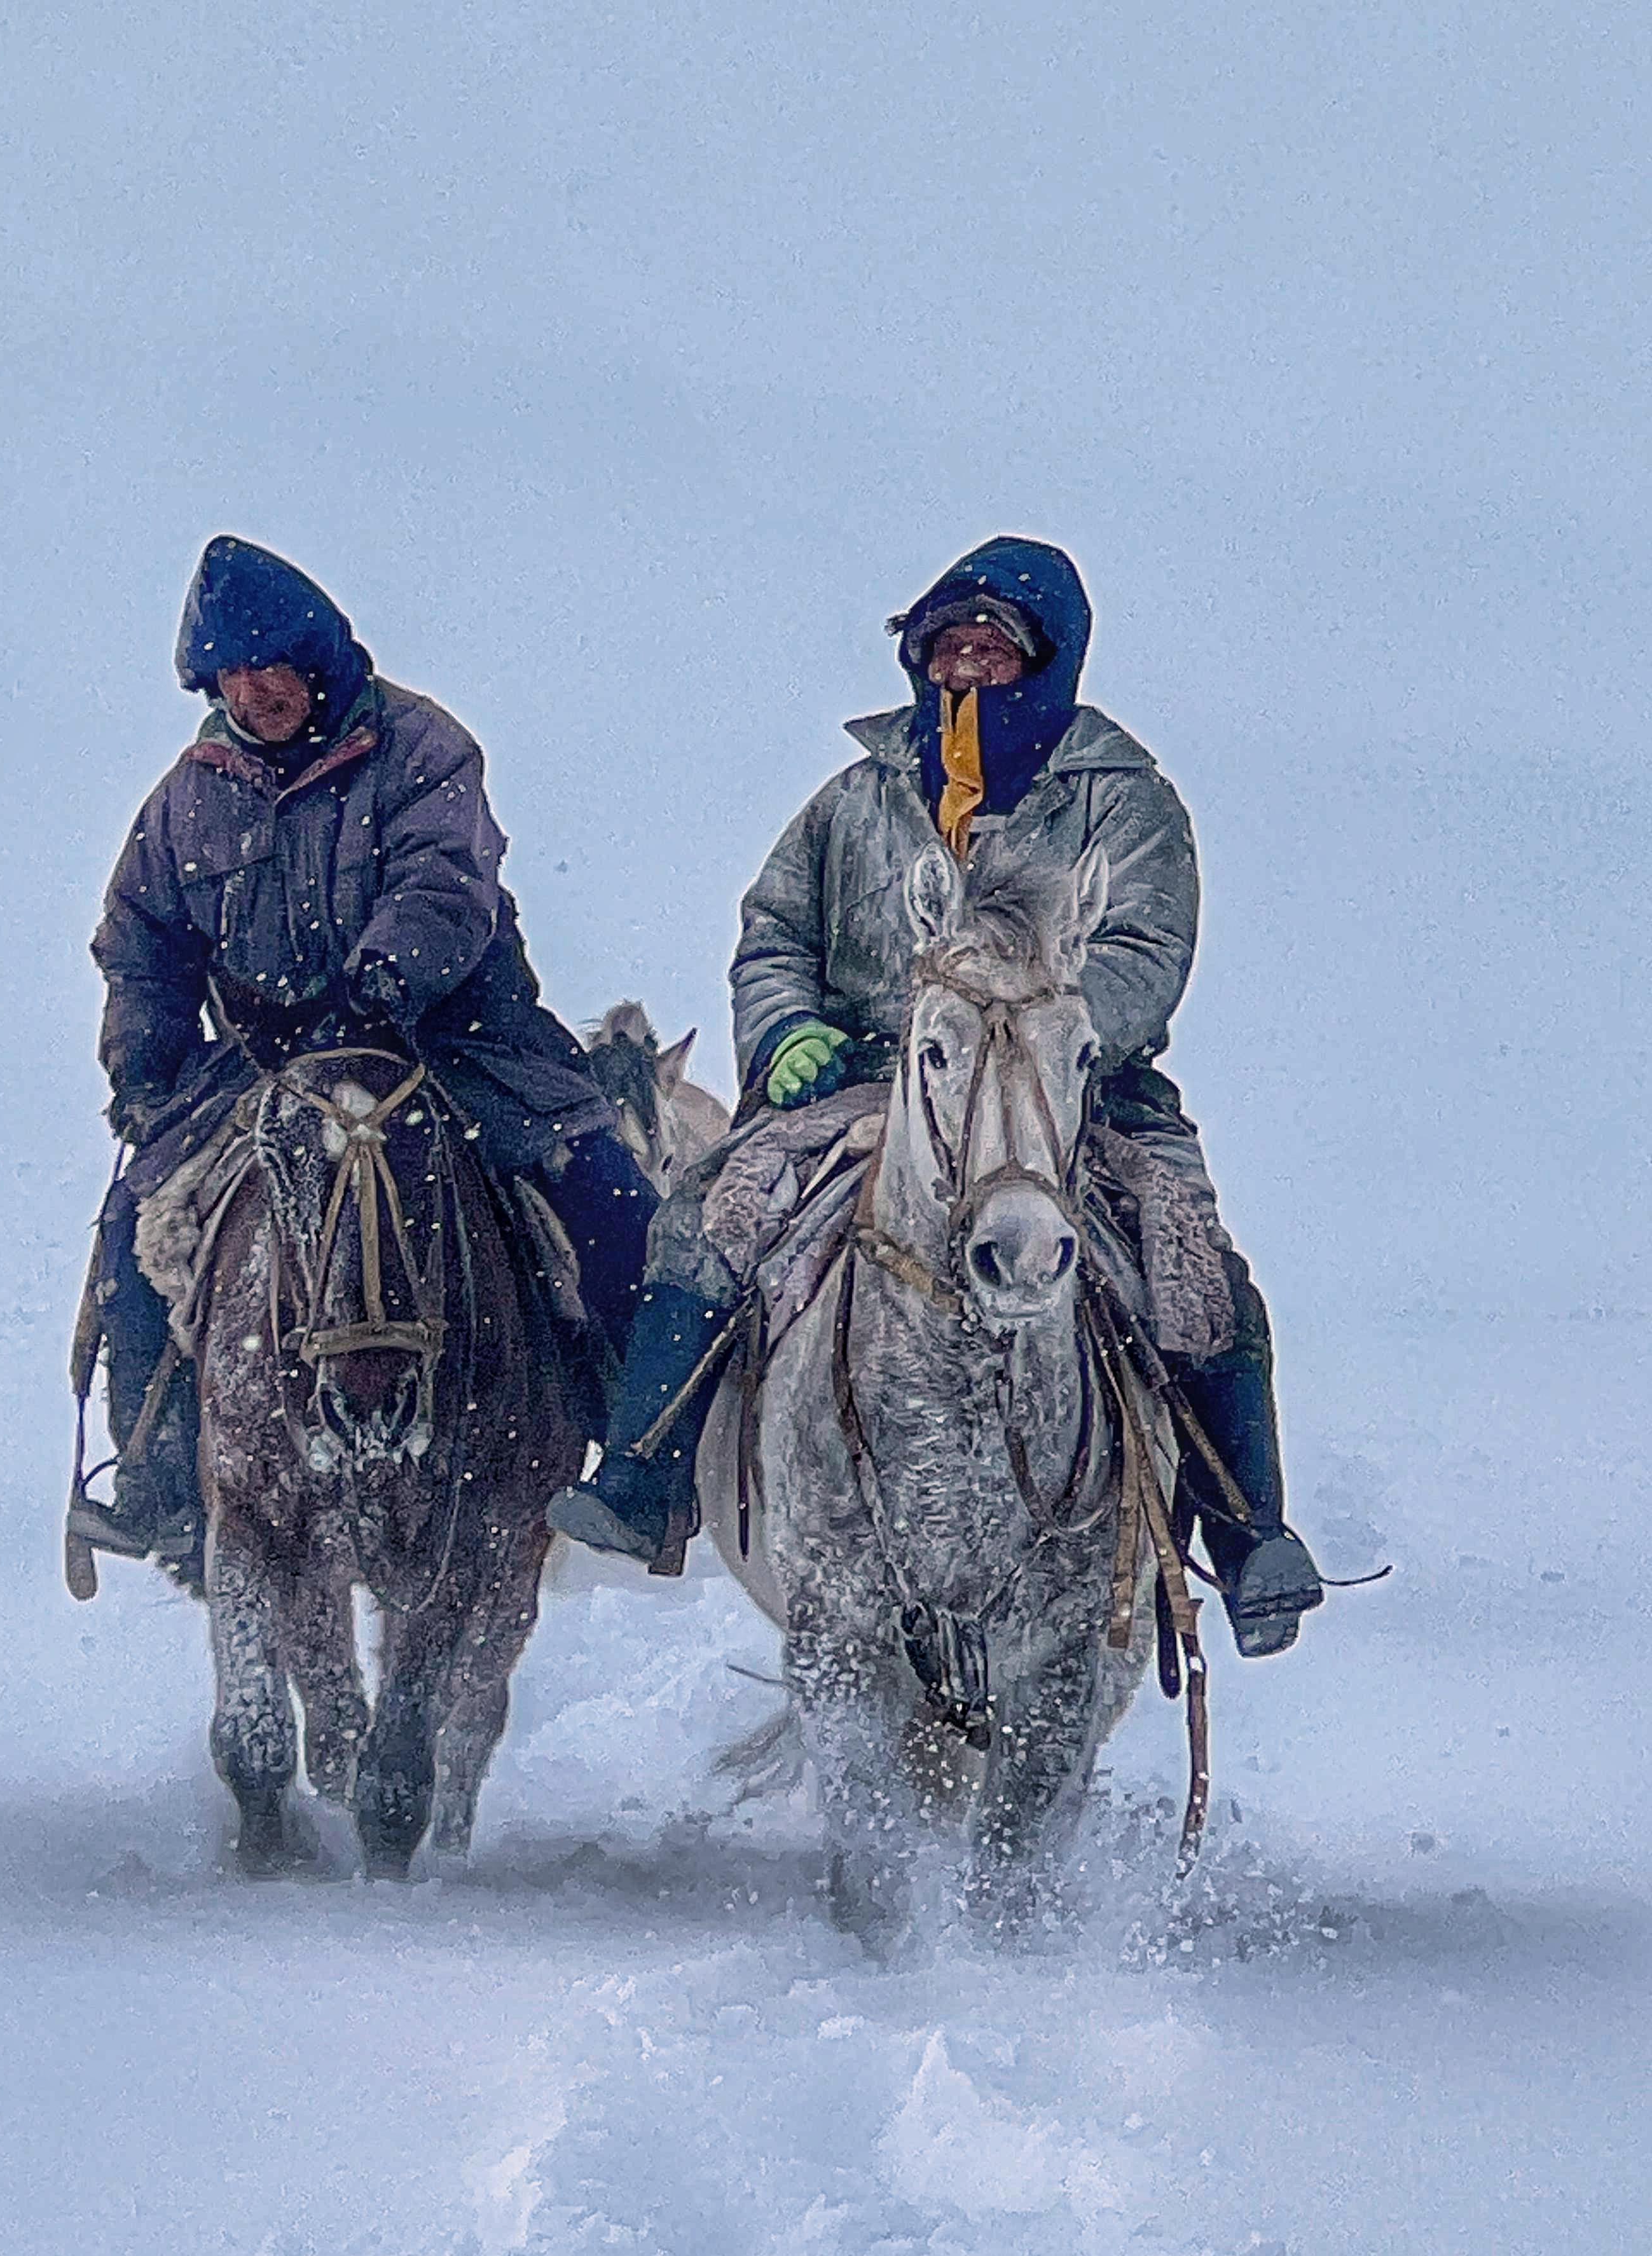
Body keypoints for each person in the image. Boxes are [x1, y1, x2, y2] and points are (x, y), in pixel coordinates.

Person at [549, 535, 1323, 1658]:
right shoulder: (854, 800)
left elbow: (1150, 943)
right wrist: (787, 1032)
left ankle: (1250, 1537)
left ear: (1046, 665)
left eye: (992, 654)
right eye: (948, 650)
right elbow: (774, 931)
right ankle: (644, 1477)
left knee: (1191, 1259)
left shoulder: (1123, 799)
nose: (965, 672)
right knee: (710, 1216)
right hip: (868, 1082)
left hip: (1075, 1089)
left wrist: (1037, 1025)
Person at [69, 535, 657, 1568]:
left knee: (610, 1203)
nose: (255, 695)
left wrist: (387, 978)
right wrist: (145, 1063)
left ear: (321, 659)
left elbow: (447, 879)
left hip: (454, 1041)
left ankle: (642, 1451)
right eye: (231, 678)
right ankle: (161, 1479)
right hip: (262, 1071)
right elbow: (141, 941)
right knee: (132, 1237)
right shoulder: (186, 797)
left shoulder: (424, 749)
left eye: (271, 670)